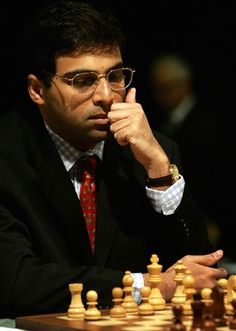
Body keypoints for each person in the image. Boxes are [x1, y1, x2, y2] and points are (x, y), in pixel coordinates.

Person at [0, 0, 227, 318]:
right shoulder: (7, 157)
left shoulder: (151, 150)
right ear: (37, 89)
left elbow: (199, 270)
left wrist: (159, 170)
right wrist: (149, 284)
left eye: (115, 76)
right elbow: (14, 282)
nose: (106, 95)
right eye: (83, 80)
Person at [147, 52, 227, 249]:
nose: (160, 97)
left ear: (185, 84)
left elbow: (214, 178)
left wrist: (212, 220)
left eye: (167, 88)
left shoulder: (206, 125)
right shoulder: (164, 120)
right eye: (157, 89)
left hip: (208, 215)